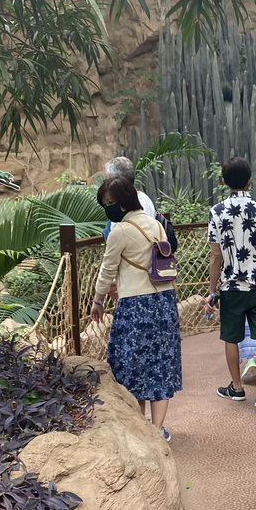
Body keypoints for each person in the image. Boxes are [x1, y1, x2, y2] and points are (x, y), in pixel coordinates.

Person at [91, 175, 182, 441]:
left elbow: (107, 268)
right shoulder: (156, 225)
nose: (107, 208)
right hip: (163, 302)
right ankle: (157, 429)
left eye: (109, 203)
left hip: (135, 305)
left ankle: (141, 427)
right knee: (160, 365)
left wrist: (98, 300)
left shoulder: (119, 231)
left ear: (121, 202)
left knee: (133, 367)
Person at [205, 157, 256, 413]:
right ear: (250, 180)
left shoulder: (216, 211)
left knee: (231, 337)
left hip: (230, 287)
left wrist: (212, 289)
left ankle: (237, 387)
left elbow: (215, 255)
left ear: (224, 182)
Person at [103, 156, 156, 223]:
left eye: (107, 181)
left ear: (117, 181)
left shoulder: (124, 205)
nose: (105, 185)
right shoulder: (145, 199)